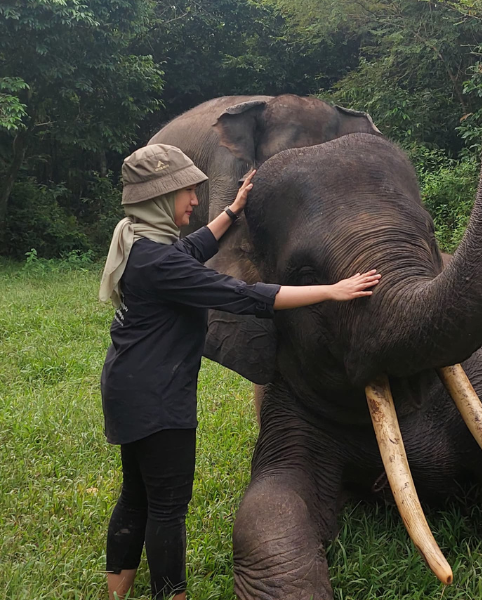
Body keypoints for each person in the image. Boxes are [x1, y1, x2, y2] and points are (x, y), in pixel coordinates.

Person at [98, 144, 380, 600]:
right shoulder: (161, 263)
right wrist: (332, 289)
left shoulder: (139, 244)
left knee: (136, 496)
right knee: (167, 509)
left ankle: (115, 595)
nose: (194, 200)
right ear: (160, 198)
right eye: (187, 192)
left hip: (127, 388)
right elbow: (242, 295)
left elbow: (192, 249)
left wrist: (232, 210)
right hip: (158, 399)